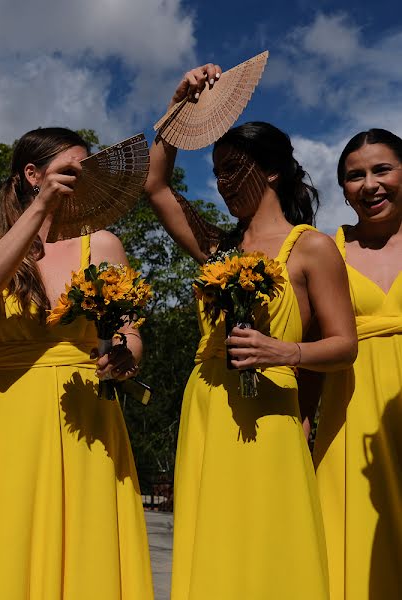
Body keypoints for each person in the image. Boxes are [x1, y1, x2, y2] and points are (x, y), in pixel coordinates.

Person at [143, 64, 358, 599]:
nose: (220, 184)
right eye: (216, 171)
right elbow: (155, 184)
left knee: (268, 538)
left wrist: (283, 350)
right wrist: (177, 109)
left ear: (272, 172)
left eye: (232, 169)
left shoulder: (311, 247)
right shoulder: (218, 247)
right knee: (211, 536)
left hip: (271, 412)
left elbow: (344, 345)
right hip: (208, 406)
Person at [0, 127, 153, 599]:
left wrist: (126, 355)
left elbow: (131, 329)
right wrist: (41, 209)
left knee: (89, 537)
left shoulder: (103, 245)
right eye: (72, 170)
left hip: (88, 408)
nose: (82, 181)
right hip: (14, 412)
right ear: (33, 175)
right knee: (13, 532)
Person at [312, 128, 402, 600]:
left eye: (382, 169)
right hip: (350, 419)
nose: (369, 184)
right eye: (354, 175)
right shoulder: (327, 249)